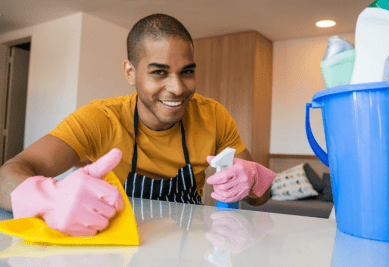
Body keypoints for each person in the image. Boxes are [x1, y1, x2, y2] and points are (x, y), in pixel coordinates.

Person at [0, 14, 276, 236]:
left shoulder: (214, 117)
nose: (178, 88)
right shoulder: (100, 118)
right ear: (130, 73)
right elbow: (7, 176)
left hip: (190, 247)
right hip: (119, 248)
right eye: (159, 72)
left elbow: (261, 198)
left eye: (187, 72)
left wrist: (254, 179)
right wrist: (50, 198)